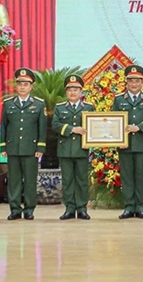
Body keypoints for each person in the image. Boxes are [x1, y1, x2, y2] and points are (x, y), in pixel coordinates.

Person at [112, 65, 143, 219]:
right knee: (126, 177)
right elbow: (114, 120)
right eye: (131, 81)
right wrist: (119, 137)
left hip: (141, 144)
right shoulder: (119, 99)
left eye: (137, 81)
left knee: (140, 176)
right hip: (124, 144)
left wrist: (138, 128)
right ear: (126, 82)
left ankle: (140, 207)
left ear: (142, 82)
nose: (134, 84)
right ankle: (128, 207)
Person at [1, 67, 46, 220]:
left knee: (30, 180)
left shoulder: (39, 104)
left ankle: (29, 209)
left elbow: (42, 127)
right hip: (13, 148)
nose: (22, 87)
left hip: (31, 148)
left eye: (26, 84)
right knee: (13, 180)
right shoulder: (8, 104)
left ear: (31, 87)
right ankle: (14, 209)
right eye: (20, 84)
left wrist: (40, 147)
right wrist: (3, 146)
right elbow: (4, 126)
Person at [50, 75, 94, 221]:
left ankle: (82, 209)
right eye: (70, 90)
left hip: (82, 149)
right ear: (66, 92)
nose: (72, 92)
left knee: (82, 180)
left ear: (81, 92)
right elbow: (55, 125)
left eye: (76, 89)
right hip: (65, 149)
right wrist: (72, 129)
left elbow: (94, 126)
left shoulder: (89, 107)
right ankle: (69, 208)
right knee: (67, 180)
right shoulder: (60, 107)